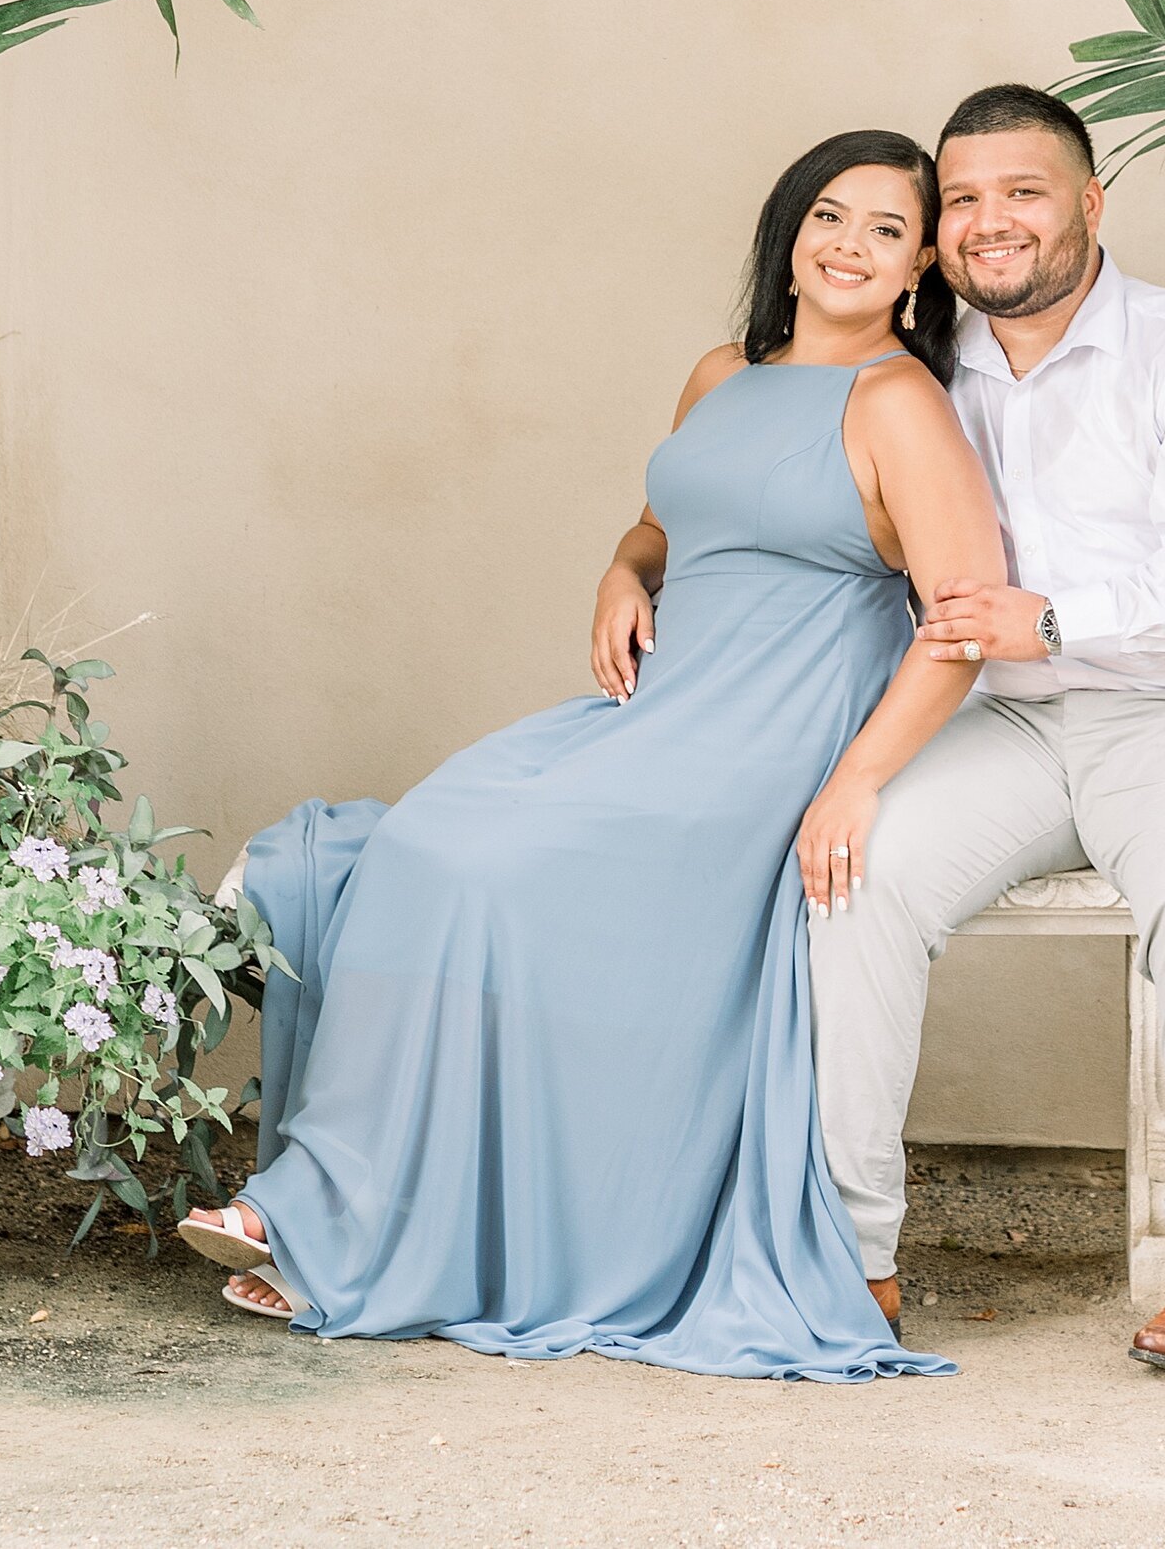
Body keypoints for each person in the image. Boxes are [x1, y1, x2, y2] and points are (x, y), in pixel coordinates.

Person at [176, 128, 1004, 1378]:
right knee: (421, 841)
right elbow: (666, 518)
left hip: (764, 747)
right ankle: (375, 1213)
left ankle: (315, 1214)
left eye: (887, 229)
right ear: (789, 233)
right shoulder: (721, 372)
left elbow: (961, 624)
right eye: (829, 213)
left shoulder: (899, 402)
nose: (849, 243)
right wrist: (624, 566)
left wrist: (856, 778)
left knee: (476, 868)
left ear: (919, 266)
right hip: (655, 716)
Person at [808, 83, 1165, 1375]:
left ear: (1091, 204)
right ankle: (845, 1254)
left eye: (1022, 192)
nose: (991, 223)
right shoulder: (916, 371)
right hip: (1012, 727)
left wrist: (1054, 616)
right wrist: (639, 561)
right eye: (964, 199)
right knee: (848, 876)